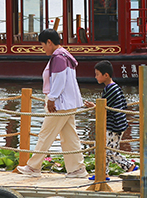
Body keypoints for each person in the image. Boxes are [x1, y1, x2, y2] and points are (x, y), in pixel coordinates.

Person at [16, 29, 86, 178]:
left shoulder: (58, 57)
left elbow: (59, 80)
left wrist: (52, 99)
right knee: (69, 136)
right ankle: (77, 169)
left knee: (45, 134)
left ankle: (34, 167)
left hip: (60, 103)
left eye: (43, 45)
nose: (43, 49)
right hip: (69, 103)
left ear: (49, 42)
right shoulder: (65, 55)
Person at [84, 60, 133, 171]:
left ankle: (130, 166)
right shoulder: (116, 87)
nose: (95, 77)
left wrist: (94, 106)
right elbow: (123, 105)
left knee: (108, 151)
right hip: (119, 124)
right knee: (103, 149)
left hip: (114, 127)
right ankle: (103, 173)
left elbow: (104, 108)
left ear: (106, 75)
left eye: (97, 74)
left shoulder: (110, 89)